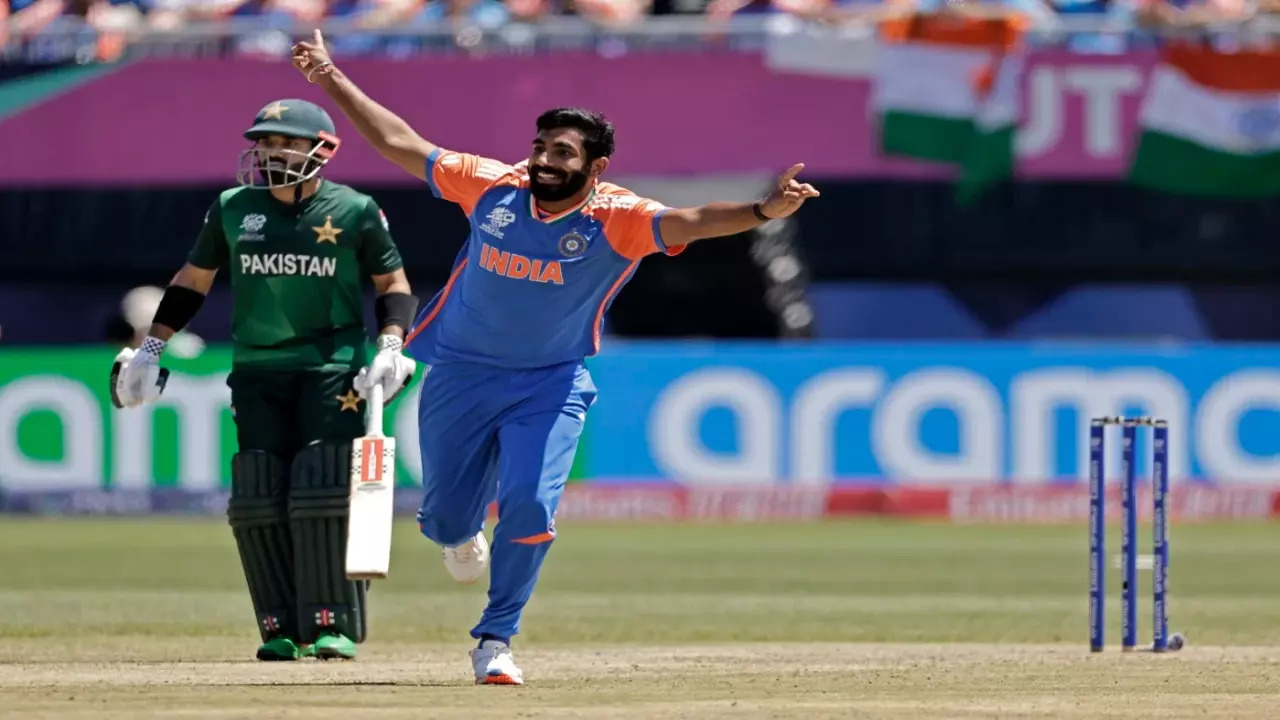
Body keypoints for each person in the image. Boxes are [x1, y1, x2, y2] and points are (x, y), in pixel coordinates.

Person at [290, 28, 819, 685]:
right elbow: (402, 142)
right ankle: (455, 531)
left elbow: (694, 220)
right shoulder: (492, 187)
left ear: (595, 167)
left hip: (551, 382)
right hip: (460, 372)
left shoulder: (619, 216)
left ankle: (495, 640)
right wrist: (330, 77)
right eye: (540, 146)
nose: (543, 159)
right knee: (447, 518)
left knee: (532, 508)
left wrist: (763, 209)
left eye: (561, 152)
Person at [108, 97, 419, 663]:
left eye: (285, 142)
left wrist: (392, 344)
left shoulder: (354, 209)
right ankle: (279, 625)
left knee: (322, 490)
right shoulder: (232, 207)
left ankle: (334, 622)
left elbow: (392, 280)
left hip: (332, 369)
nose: (270, 152)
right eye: (264, 141)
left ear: (321, 150)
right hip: (256, 369)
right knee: (260, 494)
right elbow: (192, 281)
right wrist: (150, 349)